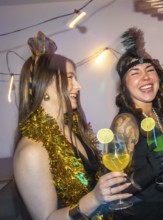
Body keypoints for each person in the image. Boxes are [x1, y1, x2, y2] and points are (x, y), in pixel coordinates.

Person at [13, 31, 132, 220]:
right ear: (44, 86)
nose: (78, 86)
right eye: (69, 77)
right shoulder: (32, 151)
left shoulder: (74, 128)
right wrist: (94, 198)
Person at [110, 27, 163, 220]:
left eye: (150, 71)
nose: (146, 77)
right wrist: (149, 171)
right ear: (124, 84)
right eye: (135, 73)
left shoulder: (158, 113)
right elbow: (114, 190)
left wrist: (158, 70)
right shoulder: (126, 122)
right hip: (144, 214)